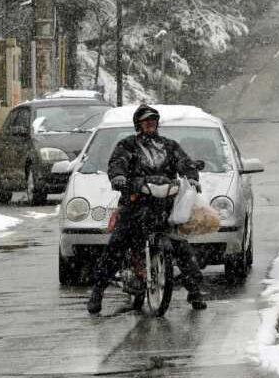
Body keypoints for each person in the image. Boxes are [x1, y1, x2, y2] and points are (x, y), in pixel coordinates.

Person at [86, 104, 207, 314]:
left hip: (164, 207)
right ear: (138, 125)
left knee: (181, 247)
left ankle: (195, 291)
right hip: (135, 206)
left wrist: (192, 176)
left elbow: (184, 163)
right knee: (117, 245)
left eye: (153, 120)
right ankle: (98, 291)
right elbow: (117, 163)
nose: (150, 123)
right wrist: (119, 177)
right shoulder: (128, 145)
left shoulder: (169, 146)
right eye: (146, 120)